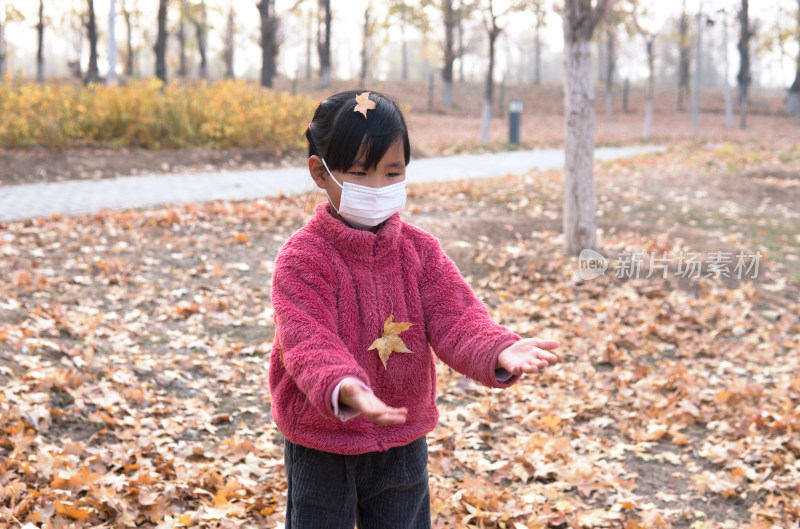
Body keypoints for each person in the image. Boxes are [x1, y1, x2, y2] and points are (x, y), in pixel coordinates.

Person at [269, 89, 560, 529]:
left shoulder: (420, 252)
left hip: (403, 434)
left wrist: (497, 348)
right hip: (321, 440)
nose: (379, 188)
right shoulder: (302, 260)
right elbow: (307, 341)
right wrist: (344, 387)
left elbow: (457, 316)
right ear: (320, 172)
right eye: (361, 174)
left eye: (392, 173)